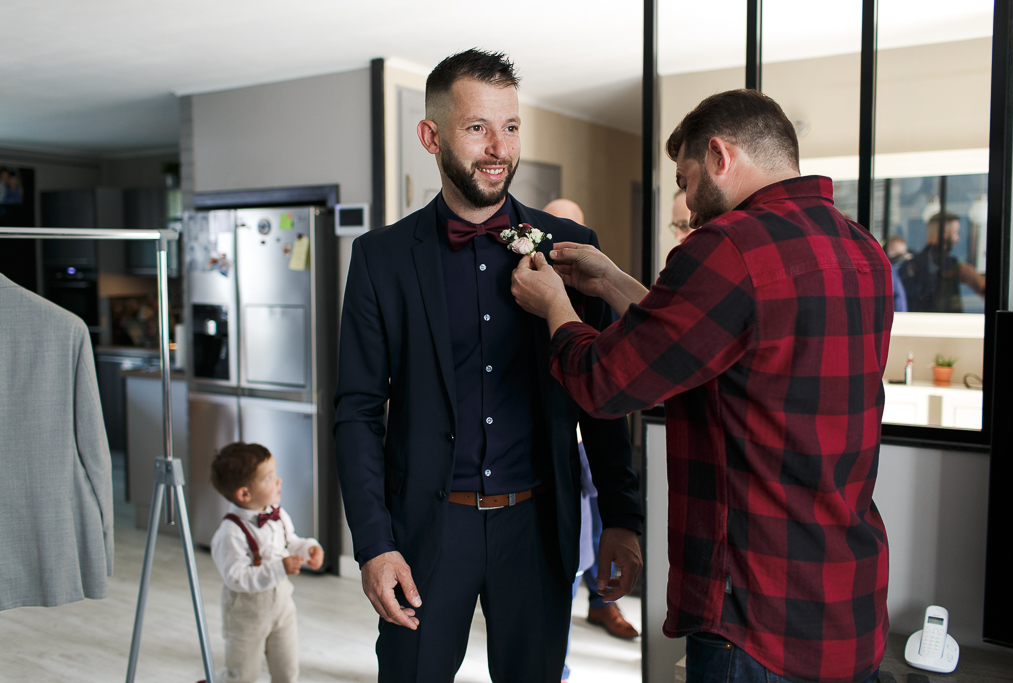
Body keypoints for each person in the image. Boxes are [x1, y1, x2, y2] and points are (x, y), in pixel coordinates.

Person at [511, 89, 892, 683]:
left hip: (757, 613)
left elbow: (606, 383)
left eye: (686, 181)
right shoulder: (860, 248)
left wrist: (556, 308)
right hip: (848, 604)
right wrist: (612, 282)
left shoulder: (729, 247)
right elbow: (716, 341)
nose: (686, 205)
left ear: (719, 155)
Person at [334, 49, 643, 683]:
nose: (497, 146)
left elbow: (602, 393)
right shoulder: (379, 259)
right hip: (424, 531)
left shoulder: (572, 252)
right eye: (476, 127)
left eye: (509, 126)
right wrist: (374, 543)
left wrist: (622, 518)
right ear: (431, 136)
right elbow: (358, 412)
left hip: (538, 529)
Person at [542, 197, 640, 644]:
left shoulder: (583, 290)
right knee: (572, 540)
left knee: (598, 522)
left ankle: (602, 601)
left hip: (590, 436)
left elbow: (604, 377)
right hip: (549, 444)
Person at [210, 442, 324, 683]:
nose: (279, 480)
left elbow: (289, 541)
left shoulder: (277, 513)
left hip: (282, 605)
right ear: (244, 494)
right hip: (246, 611)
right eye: (269, 478)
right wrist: (278, 568)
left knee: (287, 670)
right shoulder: (230, 532)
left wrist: (309, 547)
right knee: (243, 674)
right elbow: (236, 577)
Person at [898, 212, 985, 313]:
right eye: (956, 232)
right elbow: (982, 286)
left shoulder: (908, 266)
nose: (958, 239)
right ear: (944, 233)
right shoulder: (953, 266)